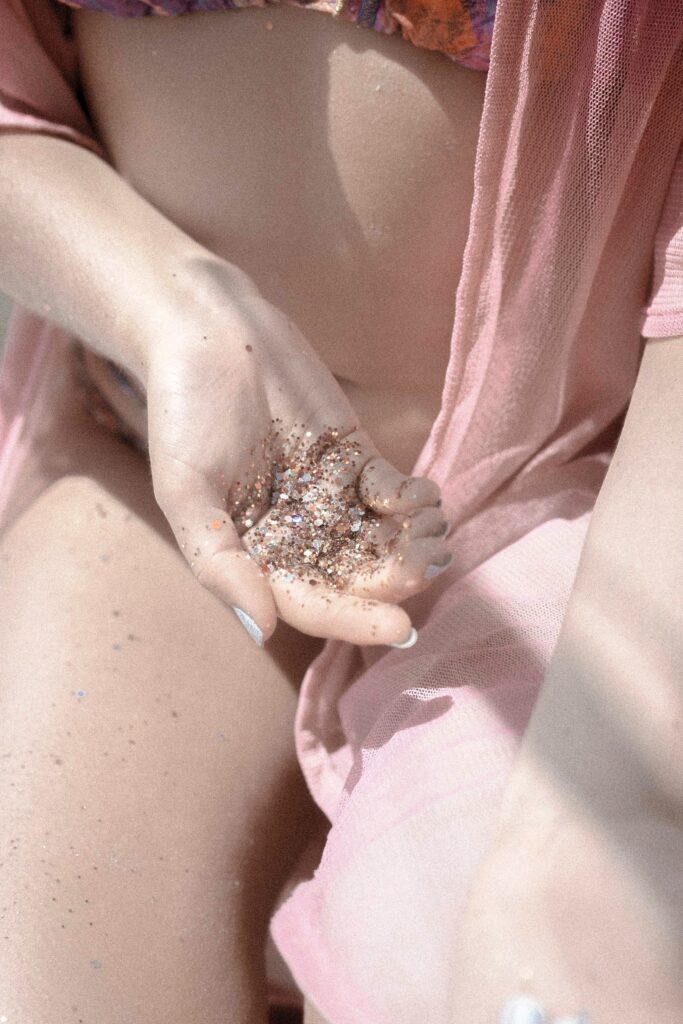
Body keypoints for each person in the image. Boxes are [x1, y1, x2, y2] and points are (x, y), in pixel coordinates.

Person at [0, 0, 681, 1021]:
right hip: (164, 460)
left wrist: (618, 807)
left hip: (605, 498)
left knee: (485, 952)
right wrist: (170, 309)